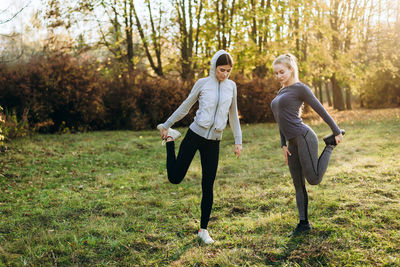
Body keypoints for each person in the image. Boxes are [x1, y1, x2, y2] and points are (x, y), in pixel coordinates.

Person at [157, 50, 242, 244]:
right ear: (214, 67)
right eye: (222, 70)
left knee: (208, 184)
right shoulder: (203, 84)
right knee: (175, 177)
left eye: (229, 71)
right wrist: (167, 125)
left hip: (214, 142)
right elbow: (186, 106)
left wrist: (238, 141)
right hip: (195, 135)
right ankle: (170, 141)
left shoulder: (231, 86)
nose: (225, 74)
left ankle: (203, 230)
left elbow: (233, 114)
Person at [270, 53, 345, 235]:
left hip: (303, 136)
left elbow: (320, 109)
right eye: (276, 73)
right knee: (298, 184)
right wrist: (283, 144)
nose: (279, 76)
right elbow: (280, 120)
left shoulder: (300, 88)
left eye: (282, 72)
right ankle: (303, 224)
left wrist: (336, 131)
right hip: (291, 142)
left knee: (314, 179)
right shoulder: (281, 92)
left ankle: (329, 145)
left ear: (291, 70)